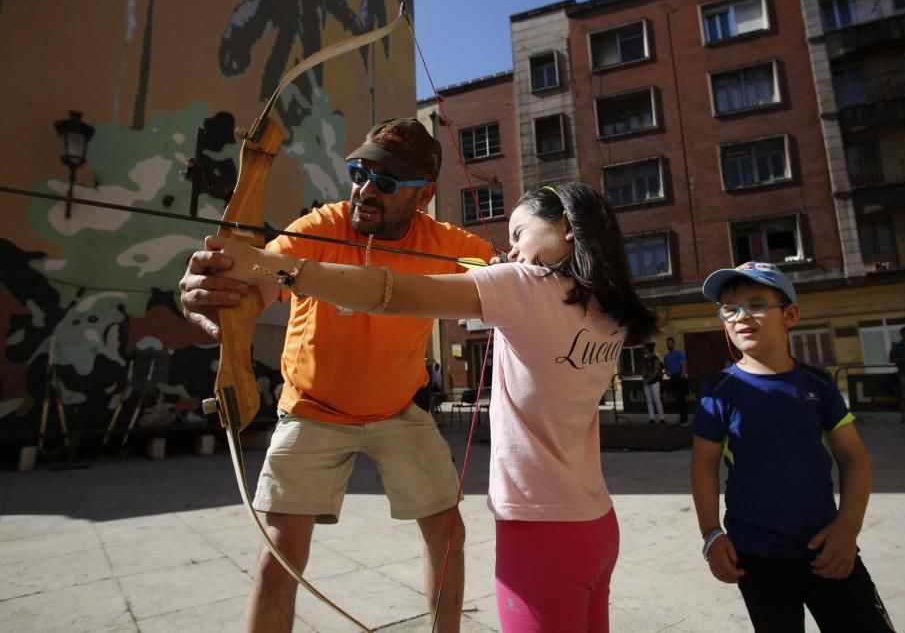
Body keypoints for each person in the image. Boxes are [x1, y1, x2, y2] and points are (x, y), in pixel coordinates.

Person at [208, 181, 658, 632]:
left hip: (542, 531)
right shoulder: (609, 311)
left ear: (565, 227)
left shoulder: (524, 286)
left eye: (519, 233)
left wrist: (271, 266)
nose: (513, 250)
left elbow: (391, 293)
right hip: (596, 525)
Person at [178, 118, 494, 633]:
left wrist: (540, 261)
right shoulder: (319, 227)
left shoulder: (444, 243)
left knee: (449, 535)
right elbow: (253, 280)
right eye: (359, 172)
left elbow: (509, 272)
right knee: (280, 554)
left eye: (387, 182)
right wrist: (214, 293)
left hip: (397, 409)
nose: (365, 190)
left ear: (425, 195)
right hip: (312, 408)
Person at [690, 261, 896, 633]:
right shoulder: (719, 390)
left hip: (826, 546)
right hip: (754, 555)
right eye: (729, 309)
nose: (741, 316)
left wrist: (847, 528)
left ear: (790, 315)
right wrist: (711, 534)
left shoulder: (819, 385)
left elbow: (853, 458)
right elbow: (704, 465)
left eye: (756, 304)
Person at [663, 336, 690, 426]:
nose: (669, 345)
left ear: (673, 344)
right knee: (678, 399)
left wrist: (682, 376)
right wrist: (667, 372)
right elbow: (666, 367)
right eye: (667, 343)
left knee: (682, 399)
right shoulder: (666, 356)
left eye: (670, 343)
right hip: (672, 378)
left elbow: (684, 365)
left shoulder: (680, 353)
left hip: (680, 377)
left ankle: (684, 419)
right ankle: (681, 417)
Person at [642, 342, 666, 424]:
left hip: (654, 382)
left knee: (656, 400)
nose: (643, 350)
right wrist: (643, 378)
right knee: (649, 401)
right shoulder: (645, 359)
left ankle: (661, 418)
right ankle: (651, 418)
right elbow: (643, 370)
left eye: (644, 348)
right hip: (646, 382)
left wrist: (647, 380)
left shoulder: (655, 359)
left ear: (648, 349)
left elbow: (656, 372)